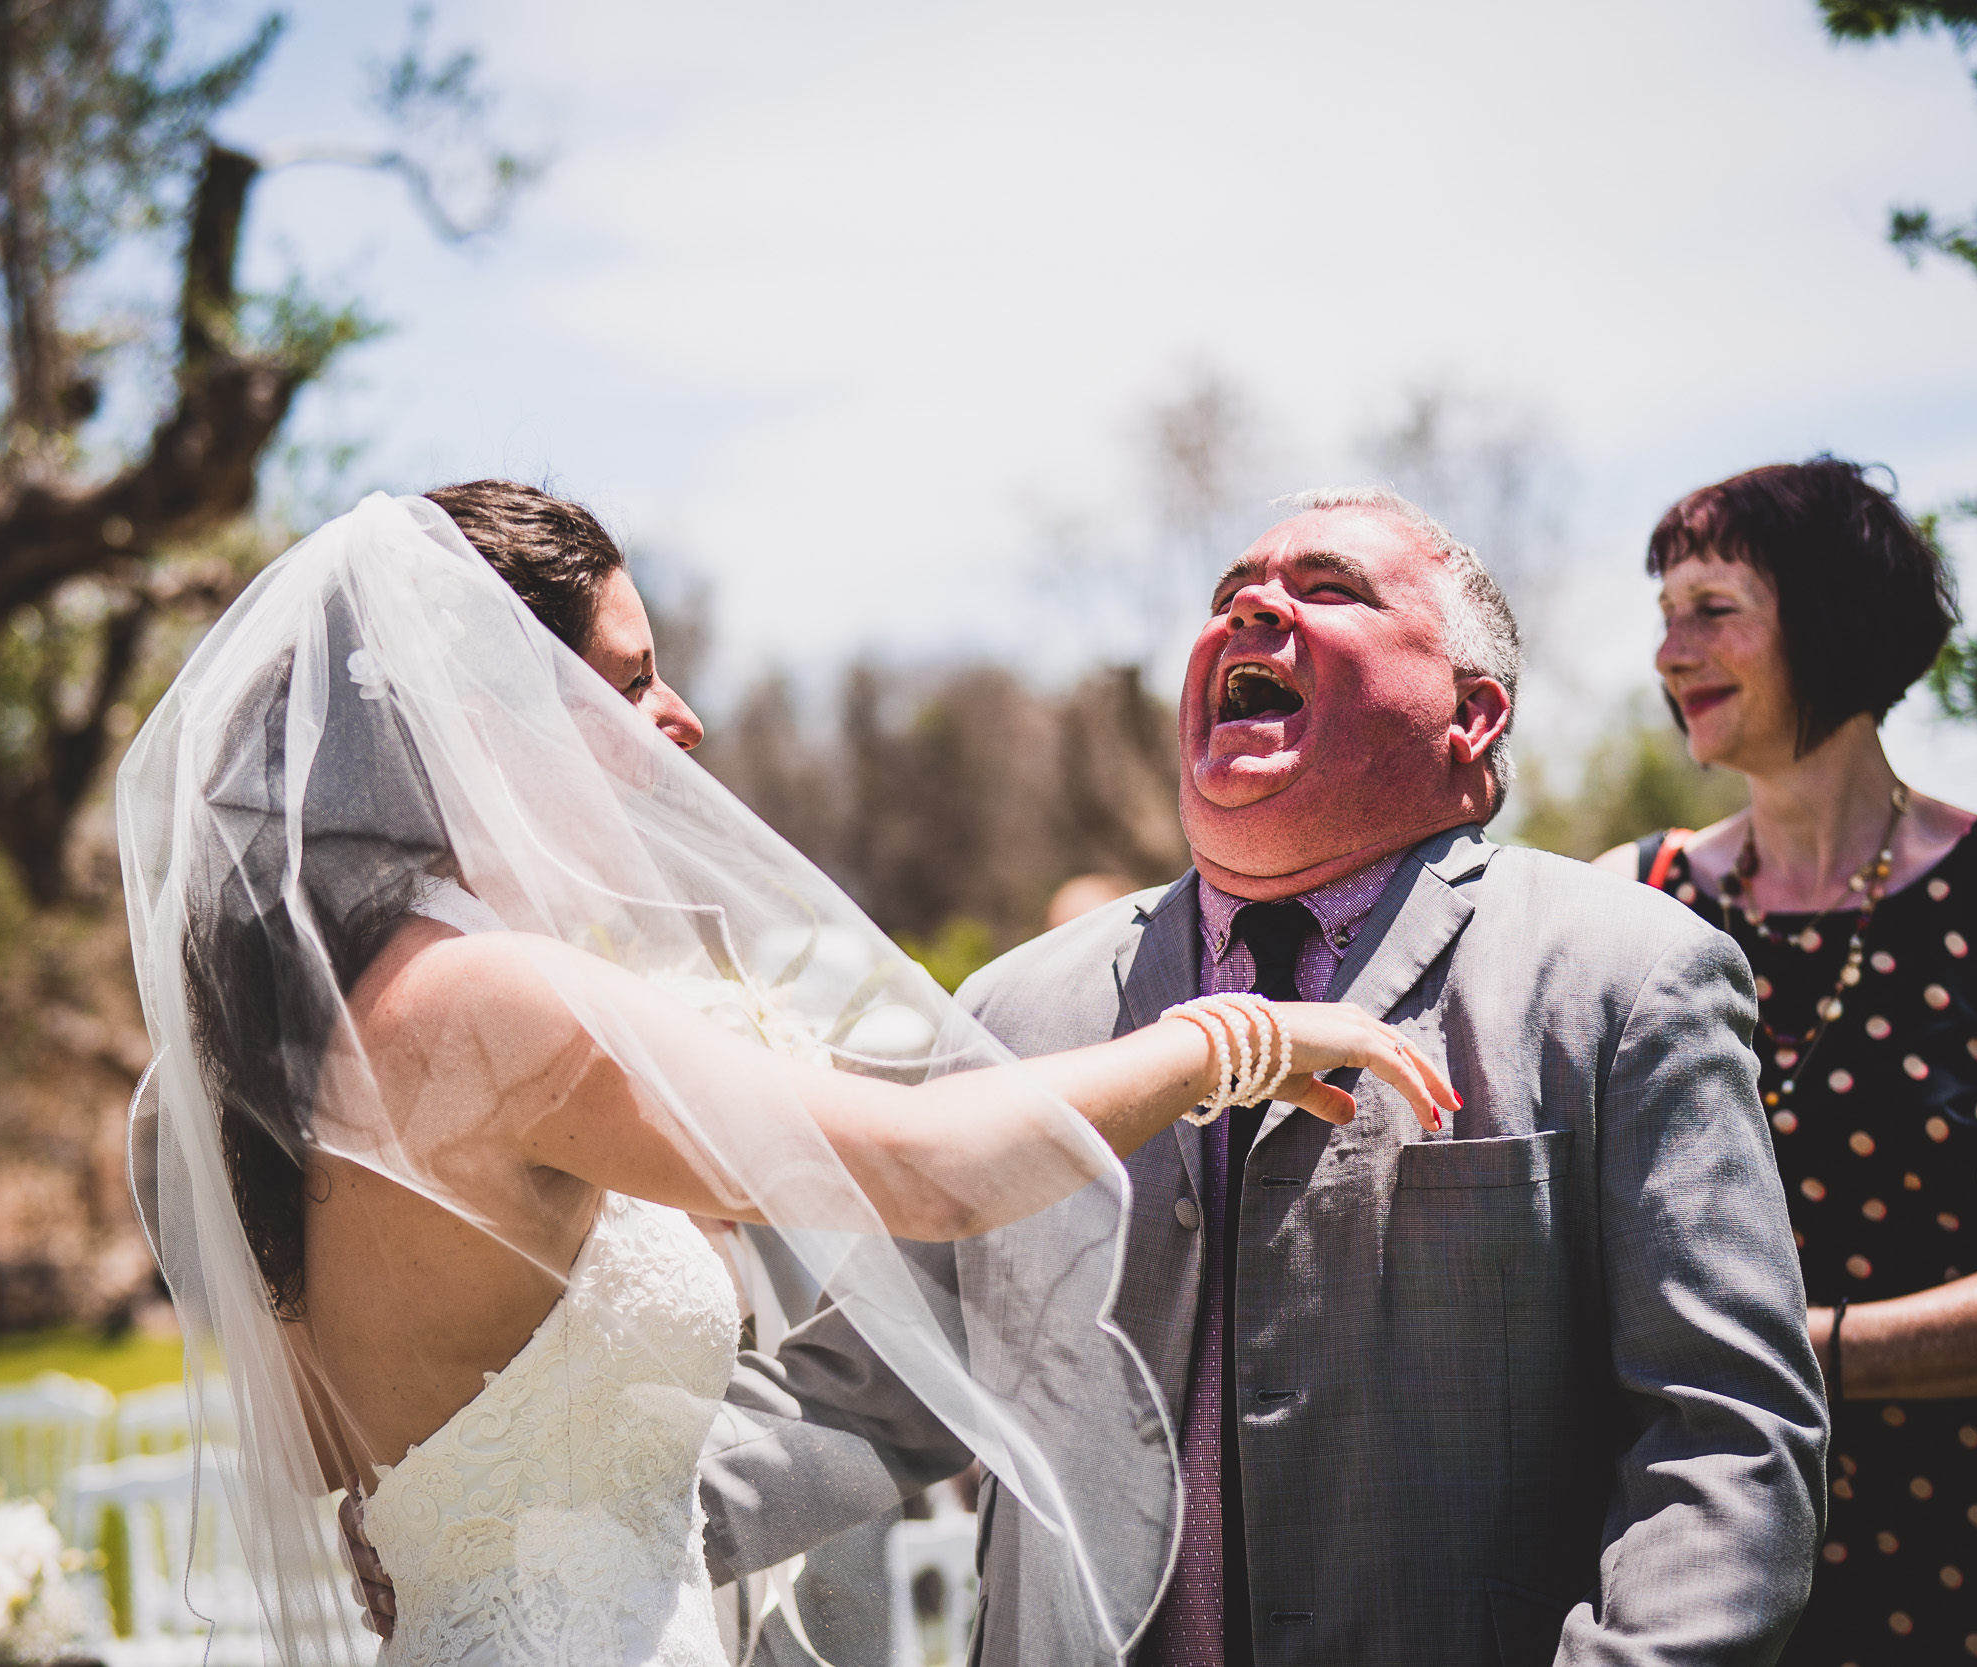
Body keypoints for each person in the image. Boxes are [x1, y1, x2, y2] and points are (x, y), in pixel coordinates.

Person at [118, 482, 1452, 1667]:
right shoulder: (491, 998)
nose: (680, 719)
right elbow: (937, 1166)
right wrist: (1239, 1034)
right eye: (629, 682)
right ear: (493, 713)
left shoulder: (323, 1025)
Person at [676, 487, 1830, 1666]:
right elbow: (864, 1392)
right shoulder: (1014, 1010)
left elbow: (1723, 1439)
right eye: (1230, 595)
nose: (1254, 608)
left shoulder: (1624, 976)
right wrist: (551, 1522)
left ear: (1472, 715)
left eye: (1327, 589)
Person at [1593, 457, 1977, 1664]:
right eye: (1664, 614)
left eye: (1713, 609)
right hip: (1705, 1554)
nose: (1668, 651)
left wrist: (1802, 1353)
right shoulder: (1630, 897)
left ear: (1831, 617)